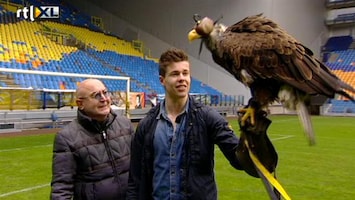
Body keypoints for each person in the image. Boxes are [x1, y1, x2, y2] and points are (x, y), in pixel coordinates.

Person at [126, 48, 246, 200]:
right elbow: (135, 179)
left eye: (185, 73)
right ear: (162, 80)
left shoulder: (207, 117)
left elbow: (241, 160)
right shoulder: (147, 125)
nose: (182, 78)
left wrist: (252, 135)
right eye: (175, 74)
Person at [50, 78, 134, 200]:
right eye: (96, 95)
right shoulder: (67, 138)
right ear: (80, 104)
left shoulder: (125, 125)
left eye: (105, 93)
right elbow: (62, 187)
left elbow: (140, 168)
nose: (104, 99)